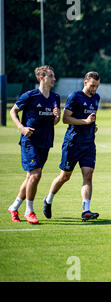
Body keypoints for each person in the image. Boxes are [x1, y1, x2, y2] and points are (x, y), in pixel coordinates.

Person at [43, 71, 101, 222]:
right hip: (73, 143)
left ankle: (86, 210)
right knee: (65, 176)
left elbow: (91, 118)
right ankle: (48, 200)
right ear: (85, 83)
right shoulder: (74, 97)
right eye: (92, 86)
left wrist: (92, 126)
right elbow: (65, 119)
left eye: (96, 86)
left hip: (88, 143)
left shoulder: (96, 97)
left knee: (88, 175)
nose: (94, 89)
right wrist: (85, 122)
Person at [8, 65, 60, 224]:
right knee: (36, 174)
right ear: (42, 78)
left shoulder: (55, 97)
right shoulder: (30, 95)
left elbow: (55, 122)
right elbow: (12, 111)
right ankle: (29, 211)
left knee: (31, 177)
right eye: (51, 76)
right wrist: (21, 128)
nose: (54, 79)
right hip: (29, 141)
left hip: (45, 141)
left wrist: (57, 116)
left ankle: (14, 206)